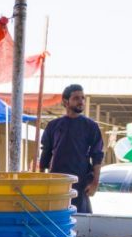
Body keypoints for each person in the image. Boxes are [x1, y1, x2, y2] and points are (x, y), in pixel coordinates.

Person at [39, 84, 104, 213]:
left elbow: (97, 155)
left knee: (82, 223)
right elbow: (46, 153)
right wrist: (41, 179)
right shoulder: (53, 126)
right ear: (65, 101)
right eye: (76, 98)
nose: (81, 101)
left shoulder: (90, 126)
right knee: (57, 219)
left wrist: (95, 182)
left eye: (82, 98)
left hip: (81, 182)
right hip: (57, 182)